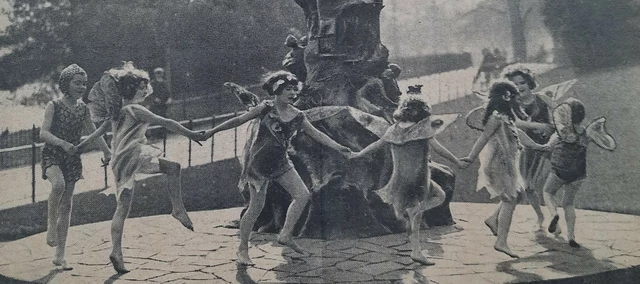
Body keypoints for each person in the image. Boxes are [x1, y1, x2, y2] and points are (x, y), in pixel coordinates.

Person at [203, 71, 352, 266]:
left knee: (303, 195)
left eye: (294, 89)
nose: (292, 93)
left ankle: (286, 234)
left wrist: (340, 147)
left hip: (281, 162)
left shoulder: (298, 116)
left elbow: (317, 134)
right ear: (276, 91)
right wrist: (211, 131)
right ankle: (242, 248)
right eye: (287, 89)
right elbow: (237, 121)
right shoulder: (265, 108)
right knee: (256, 207)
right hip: (258, 164)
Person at [81, 62, 206, 273]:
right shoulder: (136, 109)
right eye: (141, 88)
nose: (145, 91)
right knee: (174, 167)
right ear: (132, 90)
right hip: (133, 155)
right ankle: (177, 208)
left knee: (122, 207)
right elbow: (165, 121)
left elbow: (97, 133)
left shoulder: (117, 112)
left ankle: (116, 252)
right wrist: (192, 134)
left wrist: (79, 147)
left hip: (119, 162)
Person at [348, 86, 466, 265]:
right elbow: (439, 150)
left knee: (421, 206)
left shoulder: (393, 130)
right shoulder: (422, 130)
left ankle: (414, 239)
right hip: (419, 178)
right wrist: (457, 161)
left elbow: (376, 145)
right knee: (431, 203)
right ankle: (416, 250)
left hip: (400, 178)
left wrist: (358, 154)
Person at [461, 81, 547, 258]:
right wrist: (470, 157)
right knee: (510, 199)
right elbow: (484, 137)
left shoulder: (505, 117)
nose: (518, 101)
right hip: (497, 165)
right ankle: (501, 241)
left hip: (506, 165)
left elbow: (517, 135)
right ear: (506, 98)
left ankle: (493, 219)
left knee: (517, 194)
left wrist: (538, 146)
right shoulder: (496, 118)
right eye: (514, 97)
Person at [40, 64, 111, 270]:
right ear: (65, 84)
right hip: (53, 154)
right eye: (77, 83)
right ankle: (51, 226)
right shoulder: (54, 105)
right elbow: (43, 133)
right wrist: (62, 143)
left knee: (68, 204)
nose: (81, 87)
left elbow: (94, 132)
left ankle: (60, 255)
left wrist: (106, 151)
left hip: (72, 159)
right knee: (58, 185)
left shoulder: (83, 109)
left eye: (84, 83)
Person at [542, 98, 616, 248]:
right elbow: (607, 143)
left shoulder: (560, 133)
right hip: (578, 173)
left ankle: (553, 214)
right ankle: (571, 236)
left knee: (548, 192)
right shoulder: (587, 132)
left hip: (560, 170)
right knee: (568, 203)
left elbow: (548, 147)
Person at [504, 66, 554, 232]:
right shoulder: (514, 104)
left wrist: (552, 123)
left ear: (529, 82)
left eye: (522, 82)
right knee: (528, 187)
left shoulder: (541, 98)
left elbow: (561, 110)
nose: (519, 86)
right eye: (514, 84)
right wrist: (537, 125)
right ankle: (540, 215)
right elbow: (515, 122)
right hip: (529, 147)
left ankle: (554, 215)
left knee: (550, 182)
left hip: (550, 145)